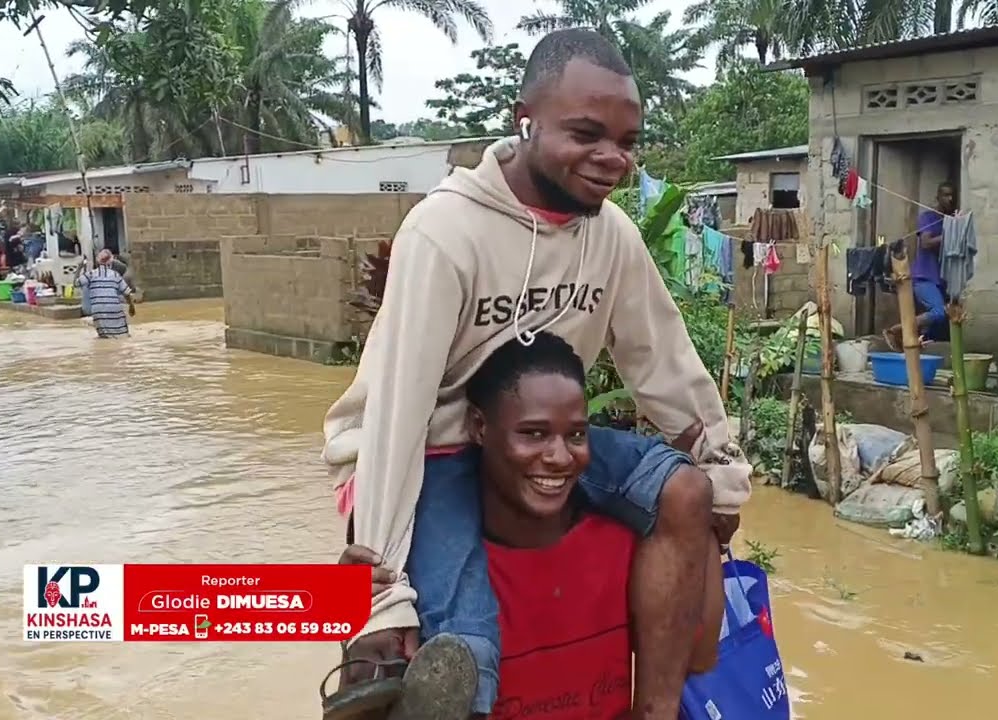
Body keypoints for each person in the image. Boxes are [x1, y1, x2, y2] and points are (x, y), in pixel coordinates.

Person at [321, 28, 751, 720]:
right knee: (464, 639)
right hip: (433, 444)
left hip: (545, 433)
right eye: (586, 133)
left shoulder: (611, 235)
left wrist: (720, 468)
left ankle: (657, 712)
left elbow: (662, 356)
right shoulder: (445, 234)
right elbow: (397, 407)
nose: (611, 158)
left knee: (685, 493)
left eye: (627, 141)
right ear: (525, 120)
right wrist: (381, 582)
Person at [326, 333, 723, 720]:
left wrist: (700, 519)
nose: (558, 457)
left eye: (577, 435)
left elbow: (699, 654)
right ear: (479, 427)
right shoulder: (427, 569)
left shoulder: (625, 543)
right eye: (533, 434)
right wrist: (355, 618)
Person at [884, 181, 957, 350]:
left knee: (942, 324)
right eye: (946, 195)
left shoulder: (950, 221)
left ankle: (920, 348)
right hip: (923, 277)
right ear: (937, 197)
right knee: (939, 312)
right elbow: (925, 242)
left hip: (940, 280)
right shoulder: (928, 218)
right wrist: (949, 236)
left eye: (952, 195)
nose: (950, 199)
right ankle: (897, 330)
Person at [77, 249, 135, 338]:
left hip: (98, 311)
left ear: (97, 261)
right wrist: (131, 307)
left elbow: (76, 283)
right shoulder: (115, 275)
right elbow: (127, 293)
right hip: (114, 309)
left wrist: (79, 267)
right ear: (111, 262)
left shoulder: (90, 275)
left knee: (104, 337)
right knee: (123, 336)